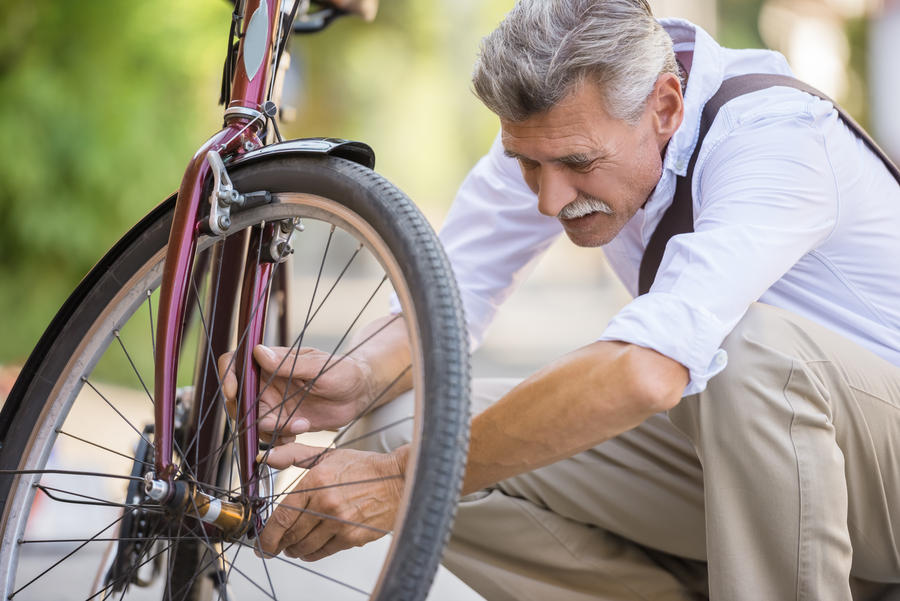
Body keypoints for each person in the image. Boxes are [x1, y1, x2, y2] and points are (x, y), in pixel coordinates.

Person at [221, 1, 900, 599]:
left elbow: (646, 368)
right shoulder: (561, 128)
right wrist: (359, 378)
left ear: (665, 106)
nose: (549, 199)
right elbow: (452, 292)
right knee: (409, 425)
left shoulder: (774, 138)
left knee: (745, 353)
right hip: (760, 466)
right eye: (528, 166)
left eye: (578, 165)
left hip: (881, 485)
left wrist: (402, 481)